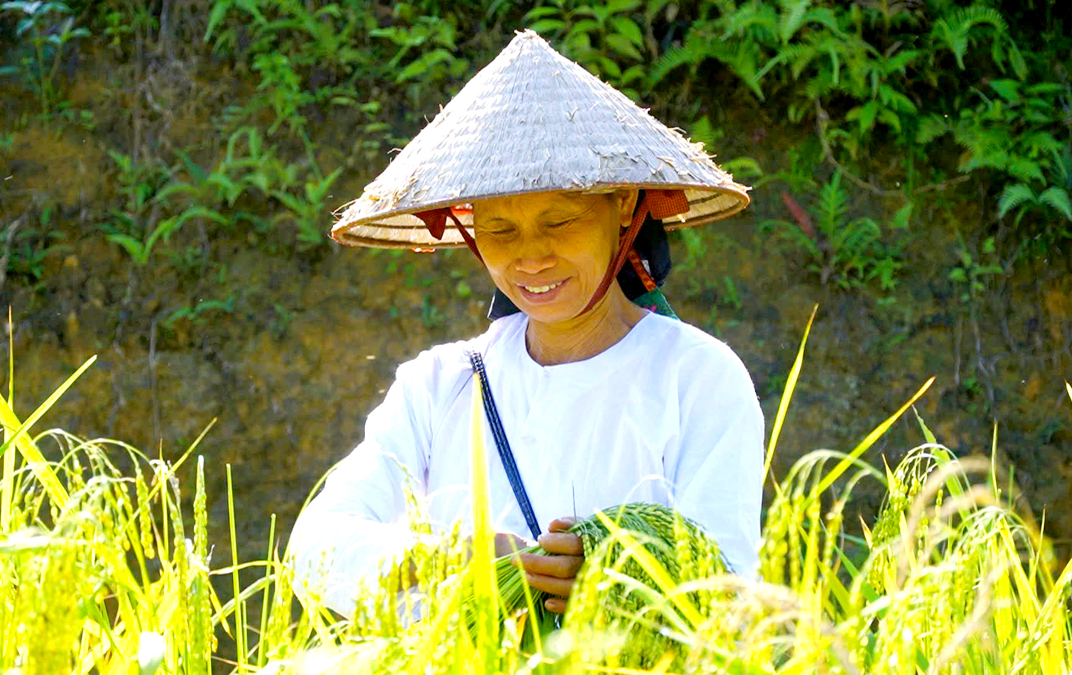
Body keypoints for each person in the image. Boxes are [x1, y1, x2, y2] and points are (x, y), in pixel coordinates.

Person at [288, 31, 764, 619]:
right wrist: (453, 556)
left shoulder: (696, 377)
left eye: (559, 222)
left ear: (622, 207)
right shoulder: (441, 384)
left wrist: (613, 582)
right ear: (467, 228)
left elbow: (728, 585)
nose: (530, 258)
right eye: (500, 231)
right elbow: (315, 552)